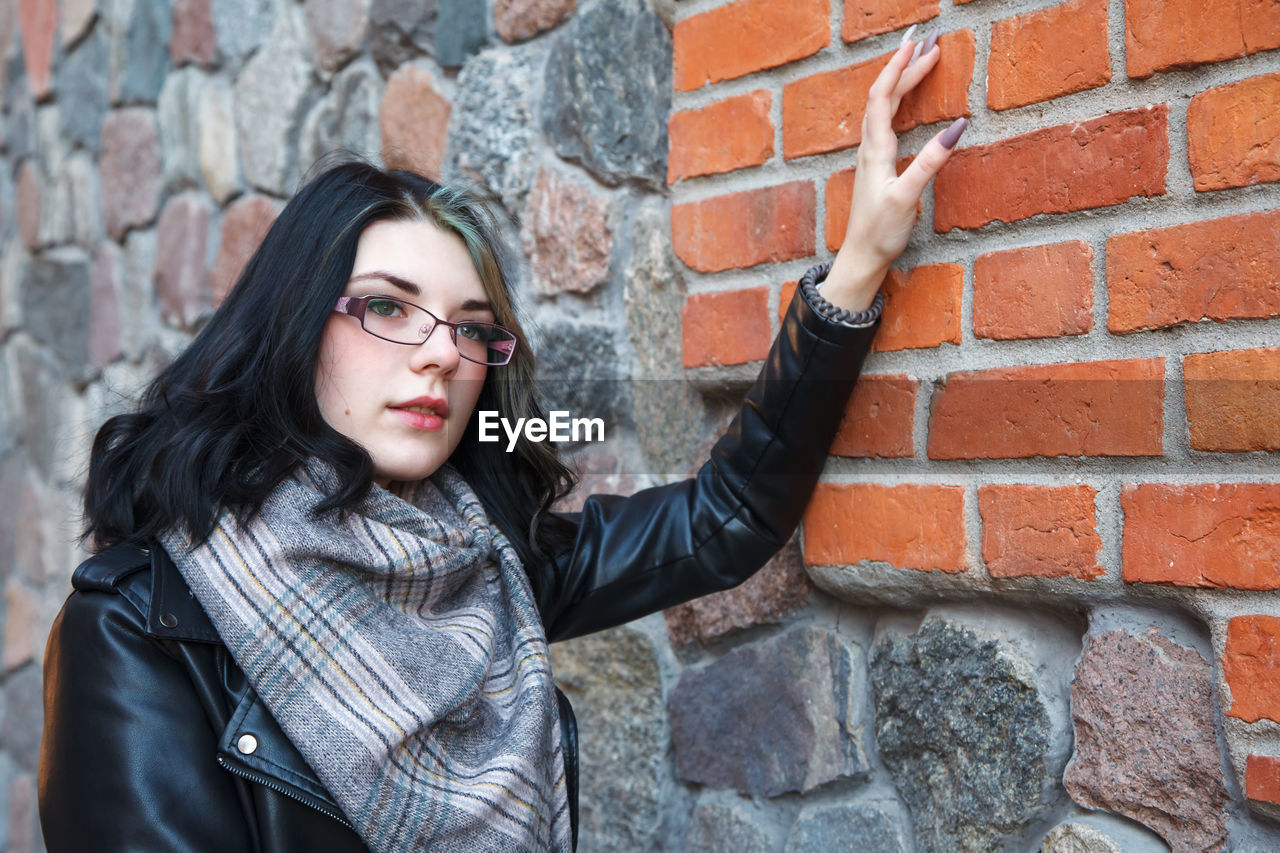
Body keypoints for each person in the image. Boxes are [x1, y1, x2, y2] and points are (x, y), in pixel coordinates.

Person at [38, 31, 964, 853]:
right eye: (389, 308)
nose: (444, 354)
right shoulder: (140, 627)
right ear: (291, 325)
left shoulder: (484, 563)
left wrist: (859, 265)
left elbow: (722, 517)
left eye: (472, 328)